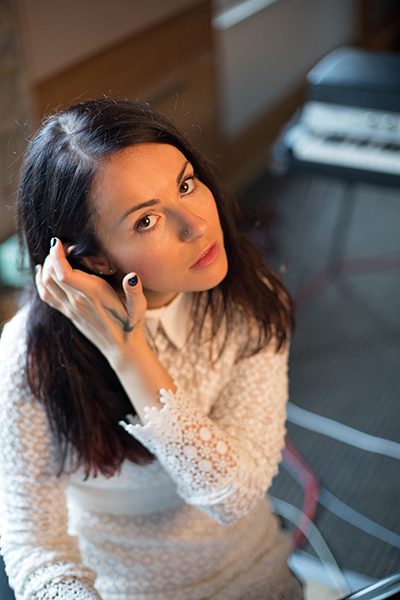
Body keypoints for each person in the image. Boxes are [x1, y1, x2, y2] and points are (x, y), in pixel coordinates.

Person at [0, 98, 302, 600]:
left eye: (186, 185)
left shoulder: (249, 302)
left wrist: (128, 352)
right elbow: (33, 542)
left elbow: (233, 498)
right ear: (93, 260)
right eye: (147, 220)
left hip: (251, 574)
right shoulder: (29, 353)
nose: (196, 225)